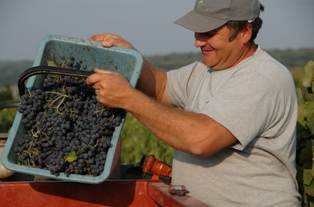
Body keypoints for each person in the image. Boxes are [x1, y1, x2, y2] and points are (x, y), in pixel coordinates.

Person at [86, 0, 301, 206]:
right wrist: (131, 56)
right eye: (197, 31)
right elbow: (161, 86)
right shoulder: (205, 70)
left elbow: (201, 139)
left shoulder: (263, 77)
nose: (198, 41)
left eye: (209, 32)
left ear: (245, 32)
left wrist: (128, 98)